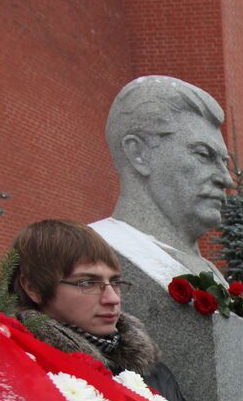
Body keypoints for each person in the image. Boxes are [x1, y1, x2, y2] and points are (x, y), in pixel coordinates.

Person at [9, 218, 215, 401]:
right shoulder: (19, 372)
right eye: (87, 282)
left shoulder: (148, 367)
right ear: (33, 288)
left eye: (115, 282)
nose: (112, 299)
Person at [92, 75, 231, 281]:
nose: (226, 179)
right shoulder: (95, 254)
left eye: (225, 162)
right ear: (139, 153)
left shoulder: (211, 273)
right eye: (203, 155)